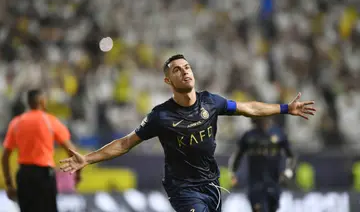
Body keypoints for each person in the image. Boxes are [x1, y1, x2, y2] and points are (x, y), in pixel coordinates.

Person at [60, 54, 316, 212]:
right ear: (168, 81)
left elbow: (248, 107)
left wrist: (285, 108)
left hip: (212, 185)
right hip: (183, 189)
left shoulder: (211, 102)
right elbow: (126, 143)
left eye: (187, 67)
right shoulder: (160, 116)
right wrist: (88, 158)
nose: (185, 71)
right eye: (177, 70)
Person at [1, 89, 79, 212]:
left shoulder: (16, 123)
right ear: (43, 102)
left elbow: (5, 156)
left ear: (28, 103)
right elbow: (72, 150)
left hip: (24, 175)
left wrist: (9, 184)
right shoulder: (50, 121)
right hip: (44, 175)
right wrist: (77, 174)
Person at [228, 118, 296, 212]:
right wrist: (233, 173)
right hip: (255, 185)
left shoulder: (278, 133)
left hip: (274, 183)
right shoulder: (249, 136)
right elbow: (237, 156)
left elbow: (291, 156)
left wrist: (288, 172)